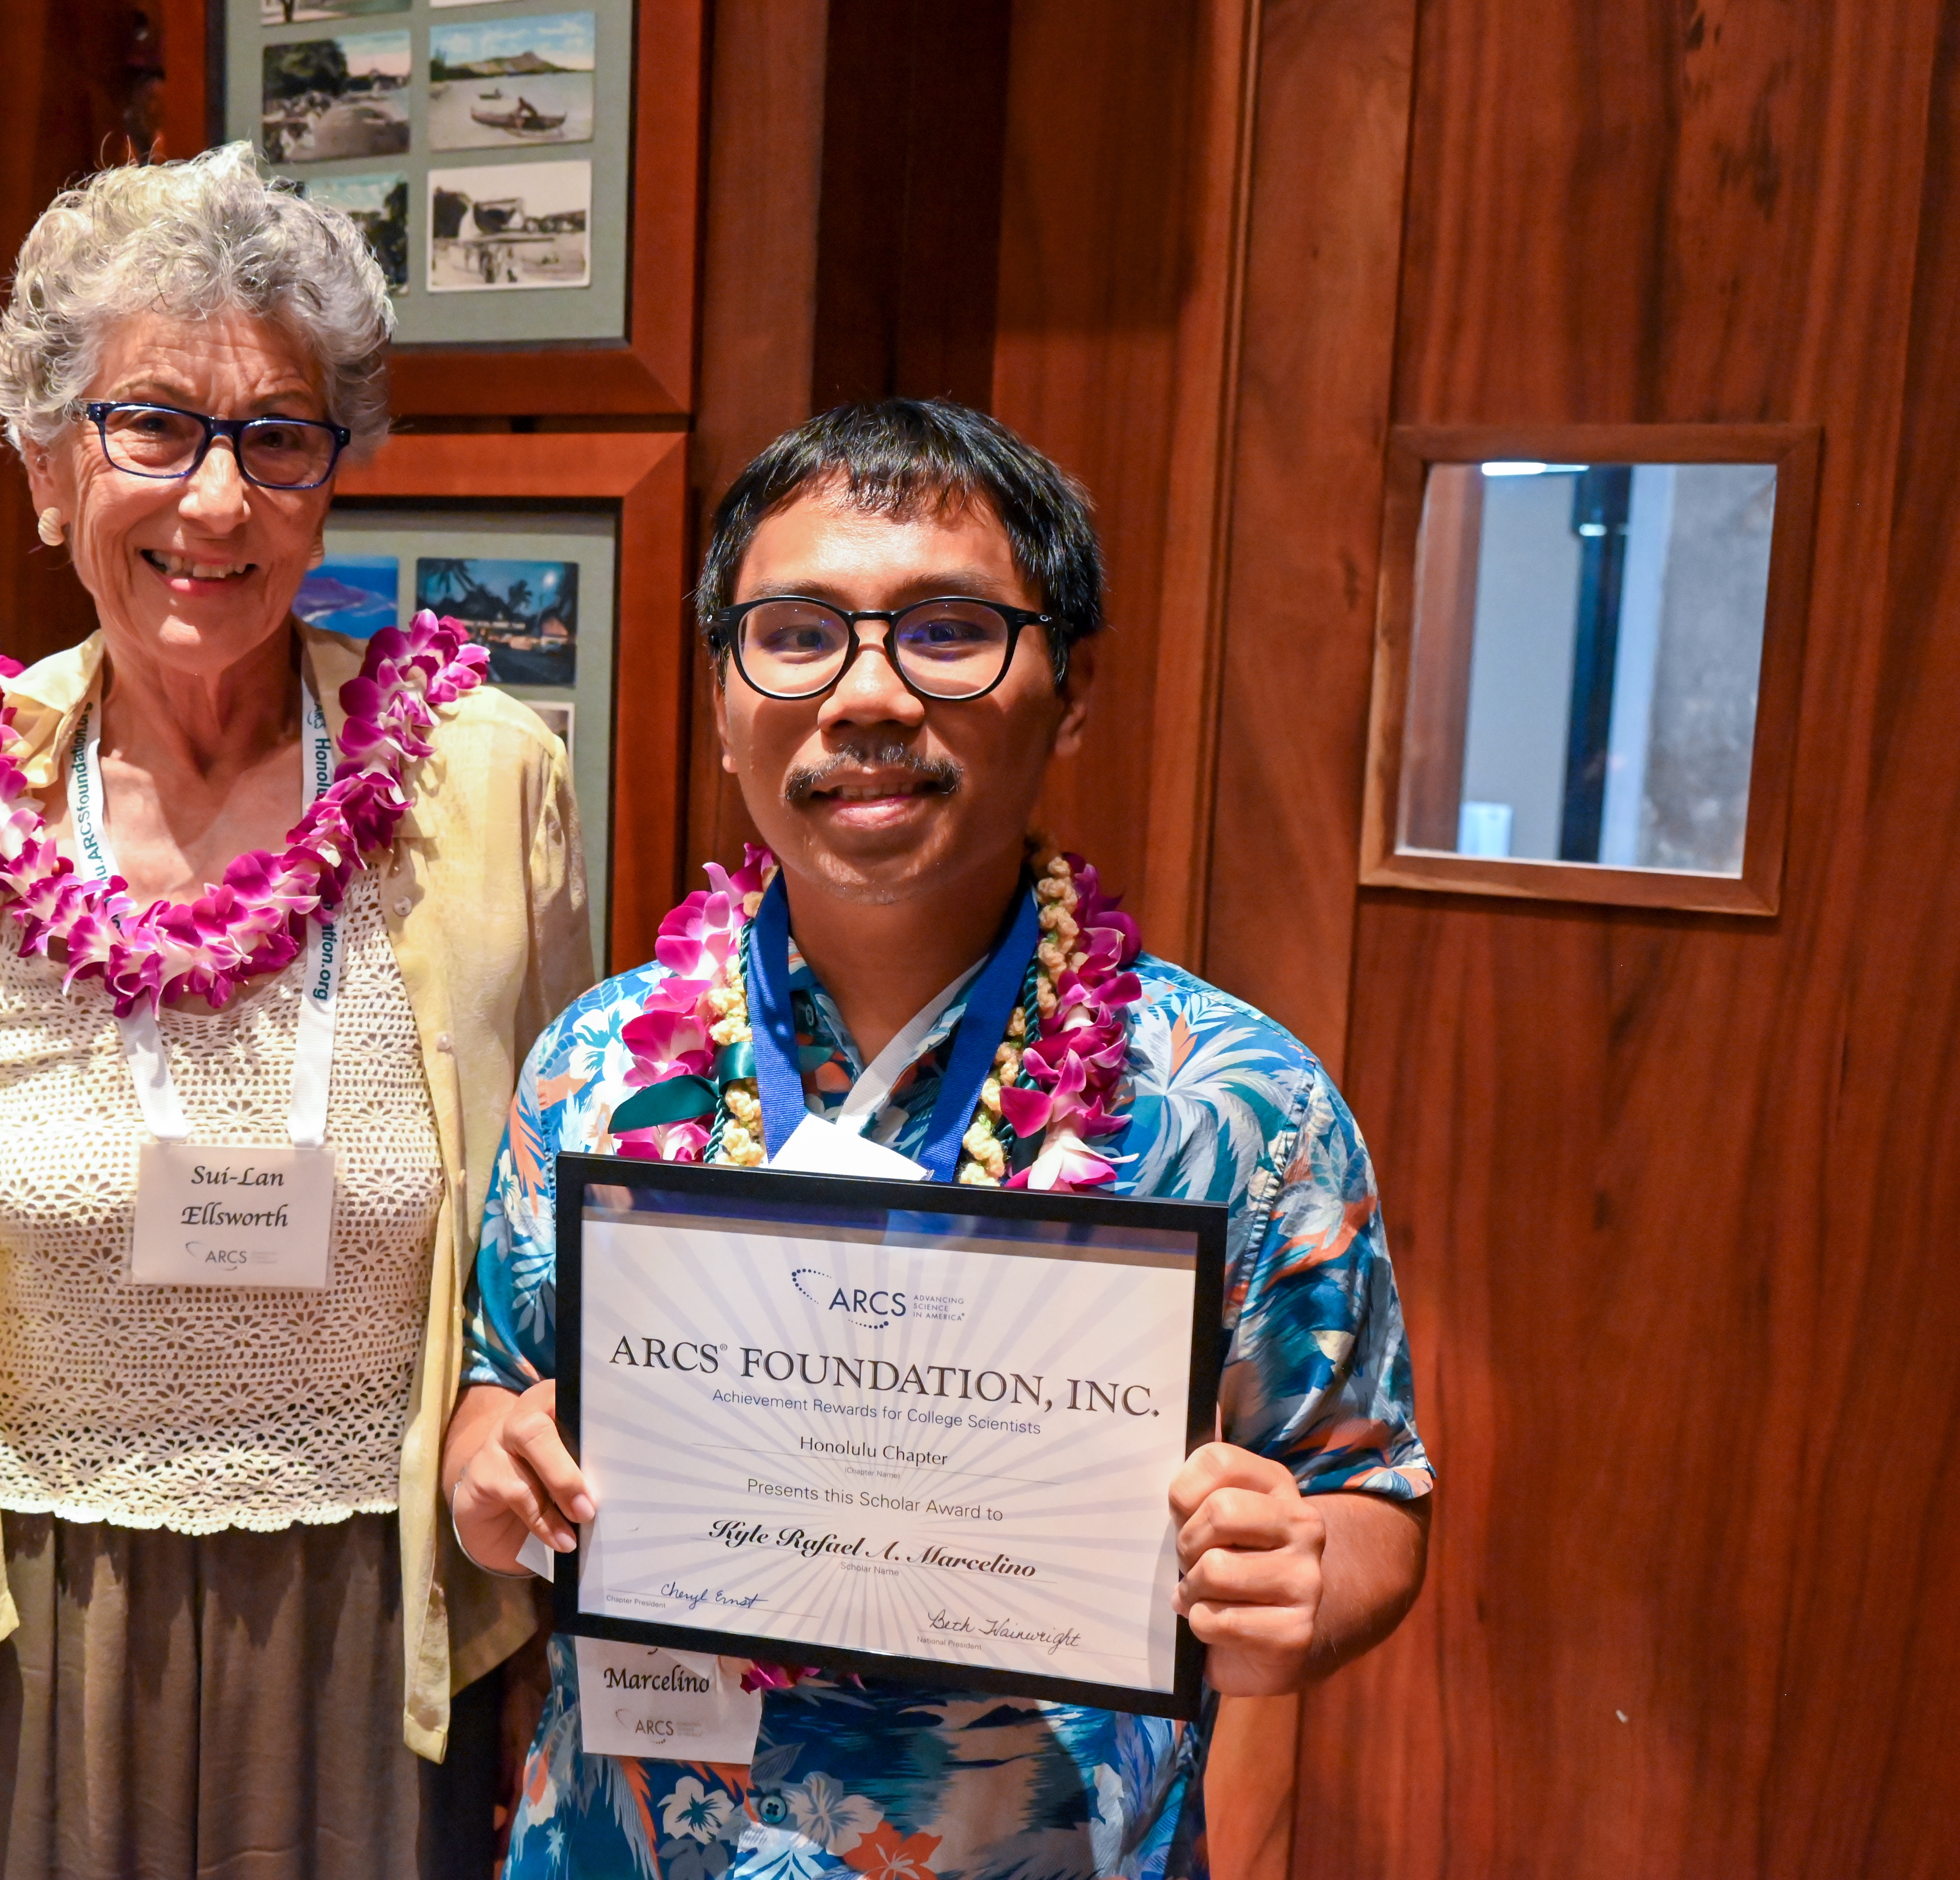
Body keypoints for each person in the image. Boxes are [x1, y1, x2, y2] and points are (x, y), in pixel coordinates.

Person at [0, 144, 593, 1880]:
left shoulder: (490, 789)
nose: (216, 504)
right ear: (51, 466)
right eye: (153, 426)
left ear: (332, 479)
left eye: (277, 436)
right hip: (36, 1626)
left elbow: (552, 1265)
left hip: (388, 1631)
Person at [444, 400, 1433, 1878]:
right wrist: (488, 1472)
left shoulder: (1233, 1100)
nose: (867, 697)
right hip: (633, 1838)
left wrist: (1304, 1582)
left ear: (1072, 689)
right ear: (724, 698)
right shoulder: (598, 1065)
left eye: (949, 631)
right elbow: (494, 1396)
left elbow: (1367, 1488)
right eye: (795, 633)